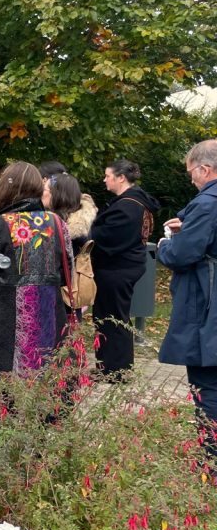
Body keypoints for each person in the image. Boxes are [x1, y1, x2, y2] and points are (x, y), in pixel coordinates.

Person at [0, 161, 71, 381]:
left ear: (5, 188)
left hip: (7, 318)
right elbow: (67, 276)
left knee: (7, 384)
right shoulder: (57, 223)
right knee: (47, 380)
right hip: (50, 314)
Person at [157, 140, 217, 457]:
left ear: (205, 169)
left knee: (208, 385)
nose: (191, 178)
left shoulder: (207, 204)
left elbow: (181, 255)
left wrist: (166, 244)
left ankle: (211, 460)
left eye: (191, 171)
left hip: (207, 307)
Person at [90, 159, 159, 378]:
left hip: (117, 269)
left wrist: (86, 230)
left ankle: (116, 371)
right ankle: (110, 367)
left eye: (108, 176)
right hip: (125, 265)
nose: (104, 180)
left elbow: (106, 238)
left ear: (121, 178)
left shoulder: (127, 207)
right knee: (112, 317)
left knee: (113, 319)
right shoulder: (134, 202)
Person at [43, 172, 97, 254]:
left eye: (44, 189)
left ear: (56, 194)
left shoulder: (69, 229)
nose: (40, 193)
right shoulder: (69, 220)